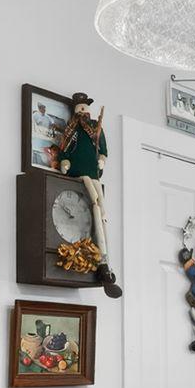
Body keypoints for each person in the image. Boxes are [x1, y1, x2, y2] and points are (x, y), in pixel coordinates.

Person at [55, 95, 121, 297]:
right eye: (80, 108)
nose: (83, 112)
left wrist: (102, 159)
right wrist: (64, 161)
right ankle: (104, 263)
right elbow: (64, 148)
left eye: (85, 108)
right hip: (79, 174)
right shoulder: (71, 130)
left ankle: (105, 262)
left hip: (93, 175)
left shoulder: (95, 129)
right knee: (94, 200)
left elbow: (103, 148)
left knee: (100, 210)